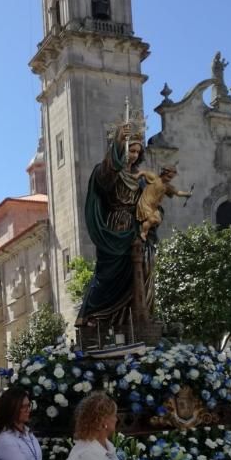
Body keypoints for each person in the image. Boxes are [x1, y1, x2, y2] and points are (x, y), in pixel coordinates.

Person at [76, 120, 151, 328]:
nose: (133, 155)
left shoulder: (140, 178)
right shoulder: (106, 171)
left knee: (138, 272)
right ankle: (94, 315)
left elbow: (149, 203)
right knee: (107, 275)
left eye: (137, 151)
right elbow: (106, 177)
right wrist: (118, 142)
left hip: (134, 230)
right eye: (129, 149)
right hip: (114, 229)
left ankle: (129, 320)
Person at [134, 166, 191, 241]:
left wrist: (187, 194)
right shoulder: (154, 178)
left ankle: (145, 227)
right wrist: (136, 176)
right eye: (168, 177)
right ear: (164, 173)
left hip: (153, 207)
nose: (169, 179)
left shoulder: (167, 186)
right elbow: (143, 172)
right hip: (145, 203)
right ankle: (144, 233)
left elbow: (177, 192)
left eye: (171, 178)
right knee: (151, 219)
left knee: (158, 220)